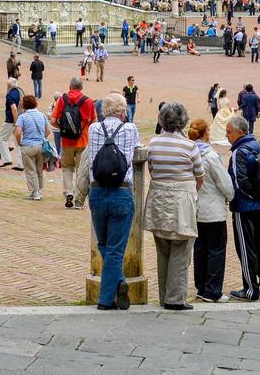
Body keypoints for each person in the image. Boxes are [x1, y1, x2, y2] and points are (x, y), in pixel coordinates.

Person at [81, 93, 141, 310]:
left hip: (97, 192)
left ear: (102, 110)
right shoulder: (130, 129)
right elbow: (137, 149)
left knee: (104, 244)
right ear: (123, 111)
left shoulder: (94, 129)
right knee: (115, 248)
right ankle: (106, 299)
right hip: (121, 192)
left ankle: (119, 282)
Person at [144, 102, 201, 310]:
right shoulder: (190, 146)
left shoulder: (154, 143)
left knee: (163, 250)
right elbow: (199, 175)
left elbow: (152, 169)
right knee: (181, 248)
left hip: (158, 198)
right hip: (181, 200)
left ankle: (164, 296)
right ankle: (175, 298)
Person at [226, 115, 260, 301]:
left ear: (240, 132)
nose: (226, 135)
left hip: (244, 206)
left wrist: (255, 195)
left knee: (246, 248)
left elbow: (239, 182)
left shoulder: (239, 152)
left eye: (229, 132)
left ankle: (251, 289)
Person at [189, 118, 233, 301]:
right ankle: (213, 290)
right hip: (213, 210)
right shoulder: (210, 156)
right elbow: (225, 183)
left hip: (196, 209)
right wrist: (231, 197)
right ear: (206, 132)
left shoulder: (190, 154)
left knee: (200, 249)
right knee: (216, 249)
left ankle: (201, 286)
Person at [52, 78, 96, 210]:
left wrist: (63, 129)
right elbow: (94, 122)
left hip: (66, 141)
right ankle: (78, 198)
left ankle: (68, 192)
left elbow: (53, 120)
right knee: (81, 171)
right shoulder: (88, 101)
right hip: (83, 140)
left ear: (70, 86)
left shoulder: (62, 99)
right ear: (81, 87)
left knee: (67, 168)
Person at [15, 94, 48, 199]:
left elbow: (18, 132)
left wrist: (20, 142)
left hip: (28, 145)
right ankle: (39, 191)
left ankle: (35, 192)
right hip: (40, 145)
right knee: (39, 170)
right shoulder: (42, 115)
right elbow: (48, 131)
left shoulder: (22, 117)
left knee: (30, 170)